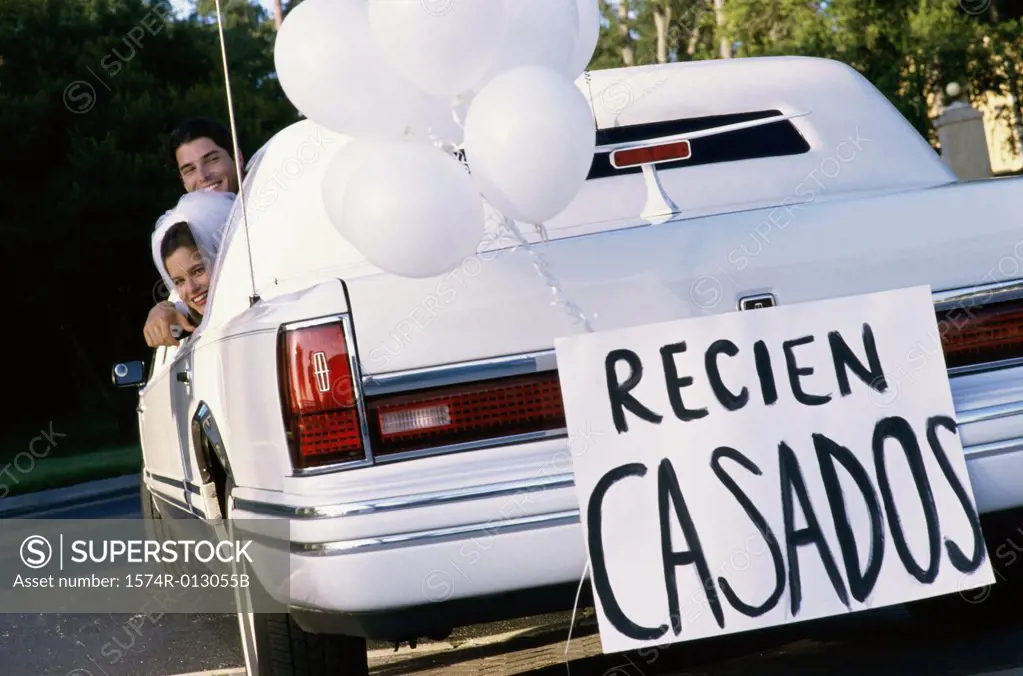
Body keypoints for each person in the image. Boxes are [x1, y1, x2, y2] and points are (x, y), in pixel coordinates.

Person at [144, 118, 246, 348]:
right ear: (182, 180)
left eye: (211, 159)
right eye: (189, 169)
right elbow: (192, 309)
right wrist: (165, 310)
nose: (203, 176)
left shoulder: (268, 209)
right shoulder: (190, 230)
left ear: (237, 157)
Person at [145, 191, 237, 348]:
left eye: (198, 271)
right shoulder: (185, 321)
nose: (191, 289)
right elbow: (176, 326)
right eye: (179, 281)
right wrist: (161, 310)